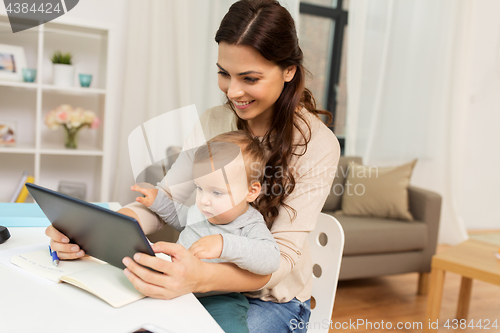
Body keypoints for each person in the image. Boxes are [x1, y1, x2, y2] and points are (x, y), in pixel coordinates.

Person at [46, 0, 340, 332]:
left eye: (250, 78)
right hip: (199, 283)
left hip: (271, 300)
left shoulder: (317, 144)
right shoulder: (213, 121)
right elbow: (165, 203)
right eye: (224, 73)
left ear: (289, 71)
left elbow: (280, 260)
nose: (233, 91)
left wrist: (201, 278)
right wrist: (99, 229)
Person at [132, 131, 280, 333]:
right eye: (200, 188)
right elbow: (180, 218)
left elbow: (270, 257)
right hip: (178, 290)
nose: (203, 200)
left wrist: (223, 244)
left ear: (251, 191)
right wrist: (158, 201)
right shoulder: (202, 211)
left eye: (217, 192)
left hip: (220, 300)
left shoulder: (250, 223)